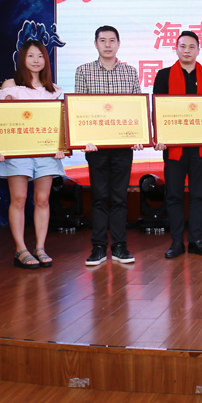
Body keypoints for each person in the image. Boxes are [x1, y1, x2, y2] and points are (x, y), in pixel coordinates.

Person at [0, 40, 66, 269]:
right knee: (19, 198)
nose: (36, 60)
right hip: (17, 152)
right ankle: (21, 249)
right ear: (22, 59)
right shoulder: (11, 85)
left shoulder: (54, 90)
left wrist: (62, 146)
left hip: (46, 153)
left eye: (41, 56)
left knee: (42, 199)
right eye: (31, 56)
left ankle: (40, 247)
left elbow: (60, 123)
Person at [75, 25, 142, 266]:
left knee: (120, 198)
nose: (107, 45)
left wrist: (139, 135)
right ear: (95, 44)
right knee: (99, 198)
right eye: (102, 40)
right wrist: (83, 139)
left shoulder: (130, 72)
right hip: (96, 147)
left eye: (112, 40)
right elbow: (79, 108)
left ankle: (120, 246)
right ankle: (98, 247)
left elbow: (137, 108)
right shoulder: (84, 71)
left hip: (123, 147)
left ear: (119, 43)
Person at [153, 31, 202, 259]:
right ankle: (176, 242)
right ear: (176, 49)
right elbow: (158, 110)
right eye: (183, 46)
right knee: (174, 195)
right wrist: (159, 136)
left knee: (199, 194)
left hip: (200, 147)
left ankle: (196, 241)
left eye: (192, 46)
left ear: (199, 50)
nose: (187, 50)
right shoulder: (163, 76)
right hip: (174, 147)